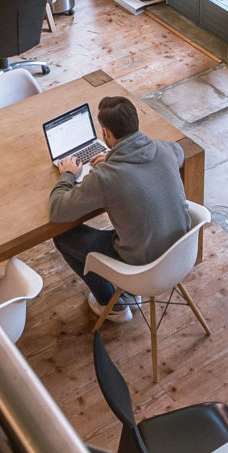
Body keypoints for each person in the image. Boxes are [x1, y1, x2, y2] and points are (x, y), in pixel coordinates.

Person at [49, 95, 191, 323]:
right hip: (181, 253)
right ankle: (126, 294)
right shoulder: (164, 149)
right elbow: (180, 154)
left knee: (62, 236)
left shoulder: (106, 177)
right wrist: (113, 157)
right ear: (136, 122)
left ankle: (112, 304)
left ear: (105, 133)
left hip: (143, 267)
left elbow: (57, 210)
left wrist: (68, 173)